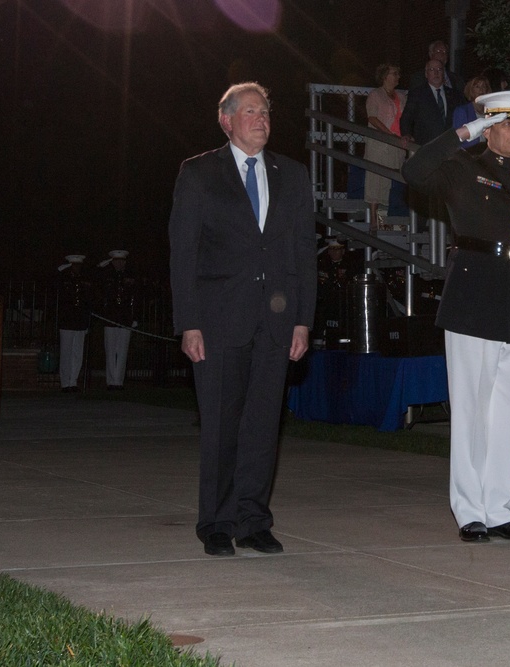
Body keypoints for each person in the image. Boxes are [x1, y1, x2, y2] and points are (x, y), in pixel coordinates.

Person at [401, 91, 510, 543]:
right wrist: (462, 133)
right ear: (489, 126)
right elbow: (413, 171)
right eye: (509, 124)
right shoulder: (462, 166)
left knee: (507, 411)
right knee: (471, 409)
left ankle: (500, 507)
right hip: (474, 296)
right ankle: (470, 509)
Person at [169, 82, 317, 557]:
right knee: (219, 423)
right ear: (226, 120)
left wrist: (302, 321)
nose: (261, 119)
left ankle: (254, 519)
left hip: (275, 324)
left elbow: (303, 255)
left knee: (261, 424)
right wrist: (188, 322)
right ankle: (216, 521)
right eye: (250, 111)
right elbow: (182, 253)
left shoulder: (292, 175)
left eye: (266, 112)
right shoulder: (198, 173)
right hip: (217, 321)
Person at [364, 63, 407, 229]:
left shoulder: (402, 96)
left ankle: (392, 219)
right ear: (384, 76)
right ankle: (374, 219)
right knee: (376, 179)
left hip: (397, 144)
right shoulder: (375, 95)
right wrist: (388, 134)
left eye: (398, 73)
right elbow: (372, 117)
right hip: (380, 143)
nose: (397, 77)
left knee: (394, 181)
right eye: (394, 73)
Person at [98, 249, 136, 390]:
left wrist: (134, 318)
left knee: (122, 351)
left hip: (125, 319)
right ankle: (111, 380)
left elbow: (134, 298)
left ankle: (118, 381)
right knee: (110, 350)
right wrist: (105, 265)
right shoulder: (107, 275)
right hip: (110, 318)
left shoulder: (130, 276)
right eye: (117, 261)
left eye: (122, 261)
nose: (120, 264)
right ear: (112, 262)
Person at [57, 254, 92, 393]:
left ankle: (73, 381)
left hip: (80, 320)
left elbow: (88, 301)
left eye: (79, 265)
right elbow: (53, 277)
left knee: (77, 352)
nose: (77, 268)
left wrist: (88, 321)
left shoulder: (85, 281)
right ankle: (65, 382)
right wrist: (63, 268)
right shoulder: (64, 279)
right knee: (66, 352)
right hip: (67, 320)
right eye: (74, 265)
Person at [451, 75, 492, 149]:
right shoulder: (462, 111)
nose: (481, 90)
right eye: (477, 87)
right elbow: (457, 140)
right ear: (471, 90)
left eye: (483, 86)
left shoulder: (491, 111)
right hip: (469, 154)